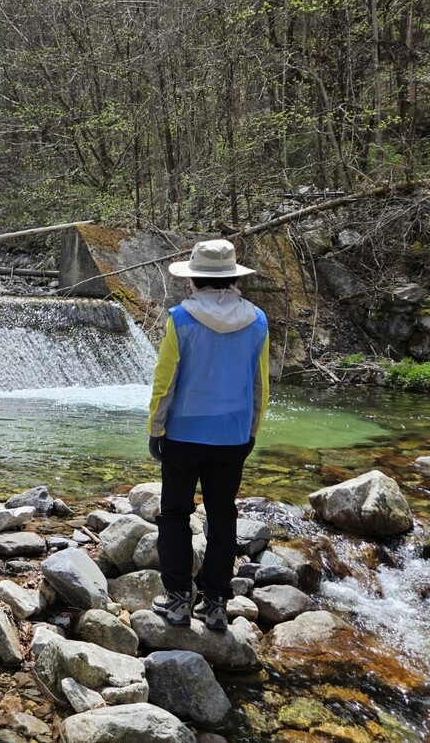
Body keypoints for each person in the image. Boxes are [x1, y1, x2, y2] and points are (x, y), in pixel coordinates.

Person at [146, 239, 269, 631]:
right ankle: (216, 604)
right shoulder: (258, 320)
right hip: (233, 436)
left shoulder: (180, 319)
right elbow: (259, 385)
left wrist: (156, 428)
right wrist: (252, 430)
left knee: (175, 514)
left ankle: (179, 599)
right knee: (222, 516)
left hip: (184, 434)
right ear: (233, 278)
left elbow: (165, 382)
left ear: (194, 281)